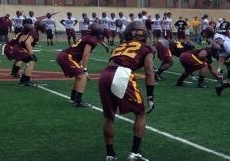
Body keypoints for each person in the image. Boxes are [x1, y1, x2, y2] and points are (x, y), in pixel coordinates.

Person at [99, 21, 156, 161]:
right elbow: (149, 71)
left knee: (109, 117)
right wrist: (150, 95)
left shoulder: (120, 46)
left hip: (105, 74)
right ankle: (134, 152)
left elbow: (111, 63)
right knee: (141, 113)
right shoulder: (145, 47)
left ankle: (110, 155)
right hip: (122, 74)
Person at [57, 23, 103, 107]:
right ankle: (78, 101)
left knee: (79, 75)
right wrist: (85, 69)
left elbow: (82, 56)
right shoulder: (91, 39)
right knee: (82, 75)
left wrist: (82, 67)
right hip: (68, 57)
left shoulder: (86, 37)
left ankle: (73, 98)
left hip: (65, 56)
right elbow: (85, 55)